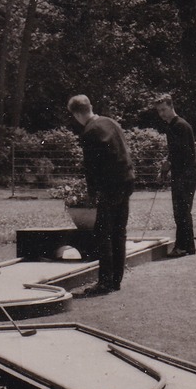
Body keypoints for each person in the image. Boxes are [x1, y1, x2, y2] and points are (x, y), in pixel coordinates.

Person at [67, 94, 135, 295]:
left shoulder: (89, 131)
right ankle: (116, 280)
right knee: (119, 231)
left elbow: (91, 167)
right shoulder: (111, 122)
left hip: (111, 185)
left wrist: (92, 193)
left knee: (103, 232)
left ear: (78, 113)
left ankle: (105, 281)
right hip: (127, 179)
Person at [155, 94, 196, 256]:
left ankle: (182, 247)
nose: (162, 114)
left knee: (182, 210)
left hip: (187, 172)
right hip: (181, 171)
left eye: (164, 109)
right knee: (181, 211)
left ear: (171, 107)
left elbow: (183, 153)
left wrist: (168, 165)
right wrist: (166, 167)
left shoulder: (180, 125)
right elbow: (174, 152)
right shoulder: (171, 126)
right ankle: (187, 246)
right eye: (159, 111)